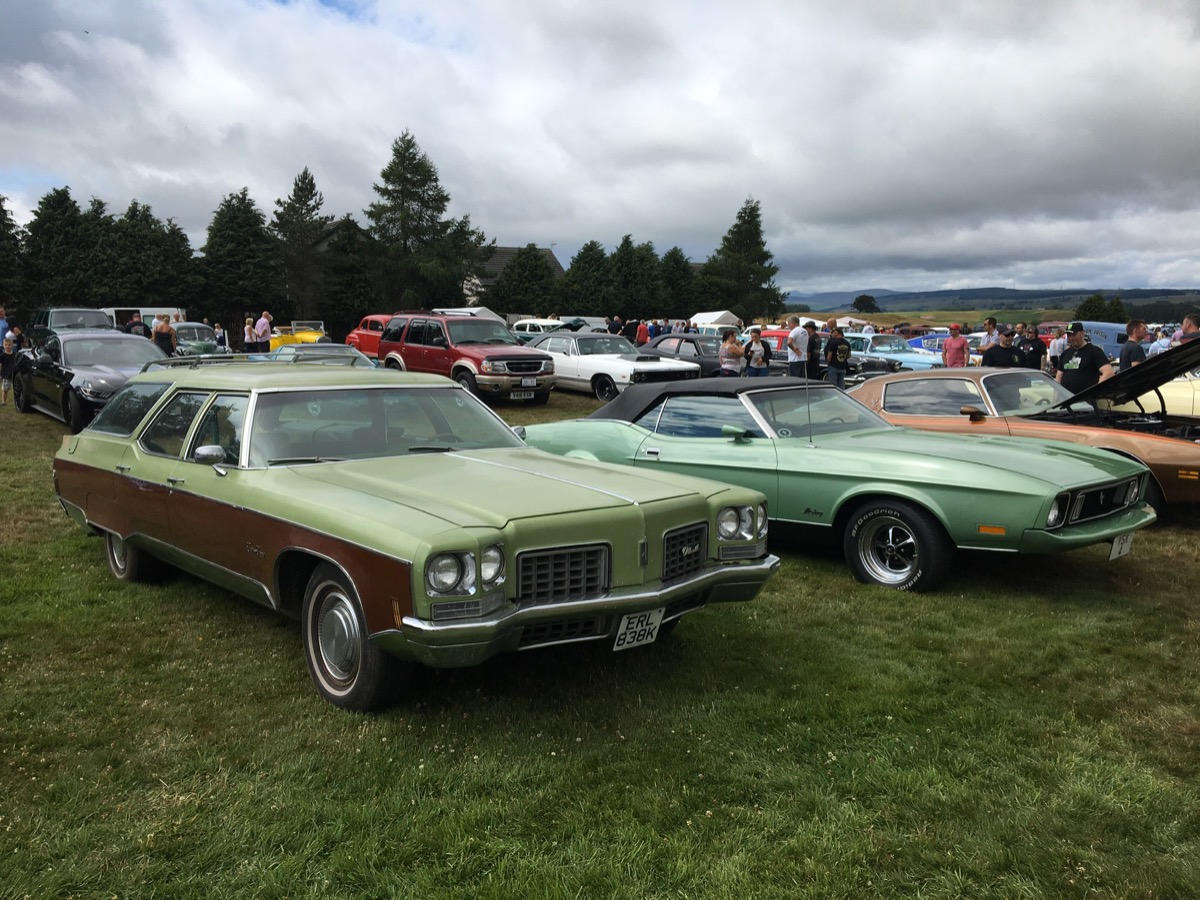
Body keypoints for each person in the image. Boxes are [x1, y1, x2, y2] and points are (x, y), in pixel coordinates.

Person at [1057, 322, 1114, 394]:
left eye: (1074, 335)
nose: (1071, 338)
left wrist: (1095, 391)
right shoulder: (1065, 354)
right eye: (1069, 335)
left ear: (1082, 333)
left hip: (1086, 399)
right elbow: (1058, 379)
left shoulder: (1094, 351)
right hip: (1067, 398)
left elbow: (1108, 372)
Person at [824, 325, 852, 389]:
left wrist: (828, 363)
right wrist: (843, 358)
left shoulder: (833, 343)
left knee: (833, 386)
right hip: (843, 367)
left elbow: (829, 356)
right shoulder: (847, 343)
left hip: (833, 366)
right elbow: (849, 355)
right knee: (841, 385)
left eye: (832, 332)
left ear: (836, 333)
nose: (831, 334)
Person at [1, 333, 15, 405]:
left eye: (9, 345)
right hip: (5, 375)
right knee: (5, 389)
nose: (7, 346)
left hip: (13, 374)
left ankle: (16, 401)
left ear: (12, 345)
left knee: (16, 388)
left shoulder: (14, 355)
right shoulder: (2, 356)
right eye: (6, 345)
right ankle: (4, 401)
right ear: (3, 345)